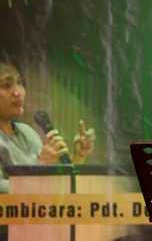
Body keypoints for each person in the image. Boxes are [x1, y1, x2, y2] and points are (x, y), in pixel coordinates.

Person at [0, 57, 96, 193]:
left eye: (19, 82)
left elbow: (52, 188)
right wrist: (40, 168)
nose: (18, 92)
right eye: (6, 85)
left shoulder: (28, 132)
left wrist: (77, 156)